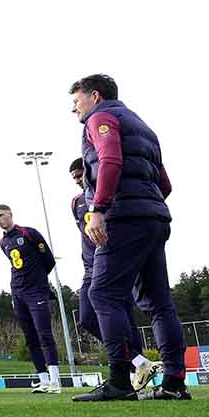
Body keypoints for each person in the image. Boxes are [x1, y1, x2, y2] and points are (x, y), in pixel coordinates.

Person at [68, 74, 189, 401]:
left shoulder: (101, 118)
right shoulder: (143, 126)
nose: (73, 109)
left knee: (103, 295)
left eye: (76, 101)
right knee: (159, 303)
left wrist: (99, 208)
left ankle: (120, 382)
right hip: (154, 217)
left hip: (123, 218)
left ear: (94, 96)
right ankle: (175, 383)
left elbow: (110, 159)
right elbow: (165, 184)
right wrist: (146, 206)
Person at [70, 159, 160, 390]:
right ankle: (139, 363)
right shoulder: (76, 203)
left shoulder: (111, 193)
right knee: (87, 318)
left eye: (81, 174)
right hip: (91, 266)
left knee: (125, 320)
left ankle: (132, 374)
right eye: (75, 177)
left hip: (114, 262)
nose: (79, 180)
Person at [0, 205, 62, 394]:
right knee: (30, 338)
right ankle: (43, 379)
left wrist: (38, 280)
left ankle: (55, 381)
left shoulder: (29, 233)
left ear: (10, 215)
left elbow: (49, 260)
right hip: (17, 292)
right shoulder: (3, 242)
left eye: (0, 215)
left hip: (36, 291)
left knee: (44, 334)